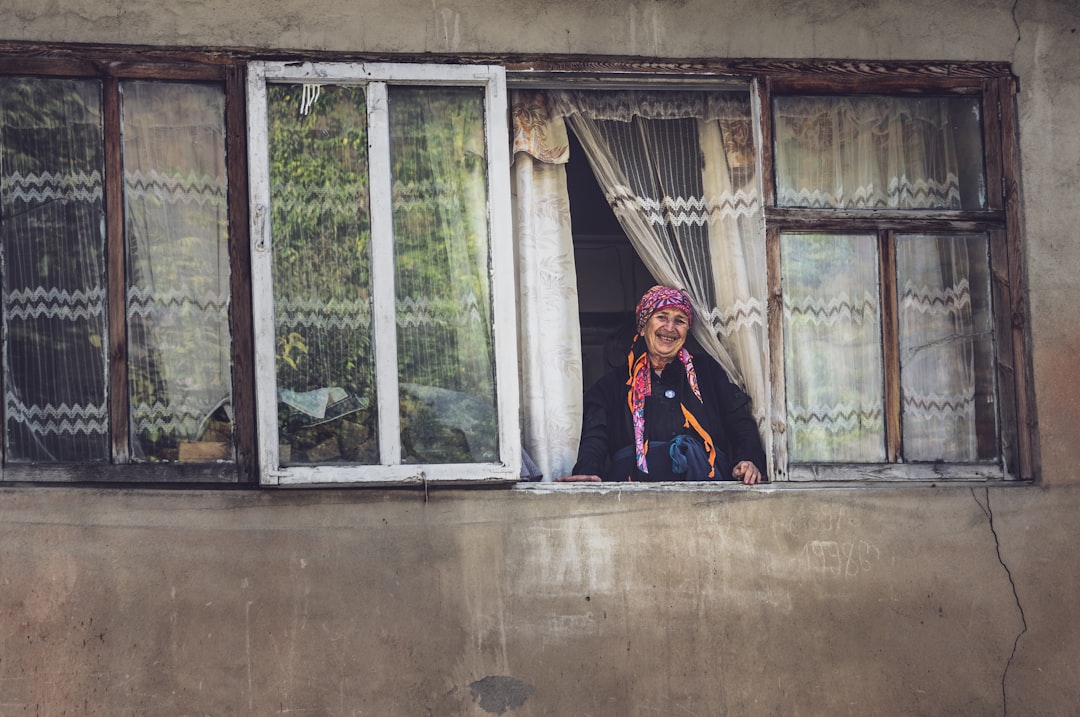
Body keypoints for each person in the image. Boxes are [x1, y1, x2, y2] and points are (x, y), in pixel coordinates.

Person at [558, 285, 765, 485]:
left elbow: (740, 423)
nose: (670, 328)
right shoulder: (613, 385)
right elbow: (595, 436)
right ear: (643, 326)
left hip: (705, 491)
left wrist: (749, 460)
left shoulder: (708, 373)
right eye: (661, 317)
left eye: (680, 320)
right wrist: (588, 471)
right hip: (634, 497)